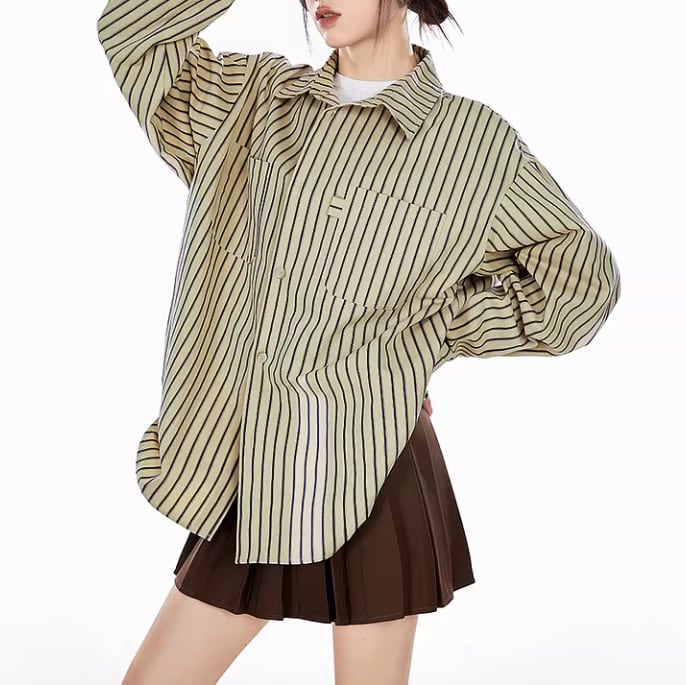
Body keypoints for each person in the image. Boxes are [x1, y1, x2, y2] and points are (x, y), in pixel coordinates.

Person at [96, 0, 621, 683]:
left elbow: (581, 285)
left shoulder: (475, 146)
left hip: (373, 458)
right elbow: (130, 32)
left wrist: (430, 332)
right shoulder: (253, 101)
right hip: (252, 457)